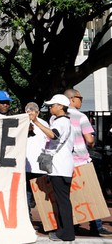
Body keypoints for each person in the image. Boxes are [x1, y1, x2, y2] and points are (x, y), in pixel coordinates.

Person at [63, 88, 110, 235]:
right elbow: (90, 140)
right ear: (72, 99)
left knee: (70, 195)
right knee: (91, 195)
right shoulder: (81, 117)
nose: (82, 100)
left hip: (65, 162)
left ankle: (74, 224)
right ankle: (96, 226)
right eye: (80, 97)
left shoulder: (57, 117)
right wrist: (91, 143)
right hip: (82, 160)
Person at [29, 94, 74, 242]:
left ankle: (66, 233)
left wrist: (36, 122)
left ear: (61, 106)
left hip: (60, 168)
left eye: (53, 105)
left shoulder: (61, 122)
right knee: (63, 201)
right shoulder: (63, 121)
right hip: (62, 167)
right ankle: (63, 231)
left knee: (63, 201)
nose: (50, 107)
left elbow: (53, 135)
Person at [24, 102, 47, 218]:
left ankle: (28, 218)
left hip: (30, 165)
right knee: (41, 194)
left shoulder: (21, 124)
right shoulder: (44, 124)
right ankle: (46, 219)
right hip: (39, 166)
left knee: (27, 192)